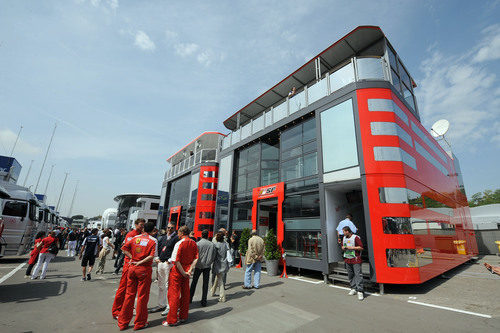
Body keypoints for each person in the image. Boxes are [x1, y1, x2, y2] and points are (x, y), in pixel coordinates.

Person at [117, 221, 158, 331]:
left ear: (144, 228)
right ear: (153, 230)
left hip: (132, 268)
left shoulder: (135, 238)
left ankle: (123, 323)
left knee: (129, 295)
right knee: (142, 297)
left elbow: (123, 249)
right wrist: (140, 262)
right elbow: (152, 256)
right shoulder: (153, 240)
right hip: (143, 269)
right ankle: (140, 323)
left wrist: (132, 258)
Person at [162, 226, 199, 327]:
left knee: (174, 295)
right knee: (185, 294)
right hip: (187, 270)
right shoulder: (193, 242)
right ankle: (183, 316)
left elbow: (176, 260)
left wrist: (183, 272)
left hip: (178, 272)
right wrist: (189, 270)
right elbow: (196, 258)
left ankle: (172, 319)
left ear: (181, 233)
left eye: (178, 232)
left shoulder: (179, 243)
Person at [111, 218, 145, 319]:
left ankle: (128, 308)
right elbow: (125, 249)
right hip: (129, 264)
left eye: (143, 225)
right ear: (135, 224)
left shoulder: (141, 235)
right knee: (123, 288)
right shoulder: (131, 235)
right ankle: (116, 311)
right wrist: (134, 258)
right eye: (140, 225)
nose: (142, 227)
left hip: (136, 265)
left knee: (131, 290)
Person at [148, 223, 179, 315]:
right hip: (160, 262)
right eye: (168, 227)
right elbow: (158, 248)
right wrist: (156, 258)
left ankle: (169, 306)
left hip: (168, 264)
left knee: (168, 285)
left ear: (174, 229)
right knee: (161, 285)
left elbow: (176, 250)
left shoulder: (176, 238)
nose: (169, 229)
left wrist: (170, 260)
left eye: (171, 228)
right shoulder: (163, 237)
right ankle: (161, 304)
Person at [190, 229, 216, 307]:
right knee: (205, 284)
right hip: (207, 266)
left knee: (194, 282)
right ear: (208, 236)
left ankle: (189, 298)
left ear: (201, 235)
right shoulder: (211, 244)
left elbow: (194, 254)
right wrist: (210, 262)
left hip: (198, 265)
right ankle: (204, 301)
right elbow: (213, 256)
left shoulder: (198, 244)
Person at [341, 226, 364, 300]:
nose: (343, 233)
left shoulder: (355, 237)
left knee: (358, 275)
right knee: (350, 275)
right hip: (347, 258)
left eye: (344, 231)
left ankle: (360, 291)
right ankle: (353, 288)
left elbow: (361, 247)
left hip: (356, 259)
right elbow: (342, 246)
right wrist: (343, 248)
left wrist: (352, 248)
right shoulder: (344, 238)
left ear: (347, 231)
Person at [210, 232, 229, 302]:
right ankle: (212, 291)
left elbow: (213, 255)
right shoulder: (225, 244)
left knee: (220, 280)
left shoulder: (216, 245)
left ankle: (222, 296)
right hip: (224, 263)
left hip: (218, 264)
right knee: (218, 278)